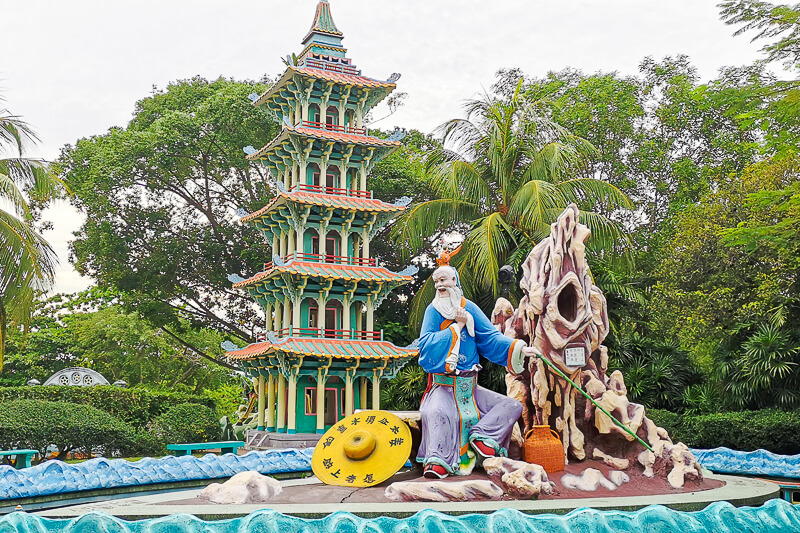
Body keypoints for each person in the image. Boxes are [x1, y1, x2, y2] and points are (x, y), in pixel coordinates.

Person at [416, 256, 526, 479]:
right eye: (436, 282)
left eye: (444, 280)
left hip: (470, 388)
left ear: (455, 281)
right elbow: (425, 346)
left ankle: (483, 439)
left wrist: (522, 349)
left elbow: (491, 339)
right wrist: (456, 328)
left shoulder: (470, 308)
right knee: (437, 413)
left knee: (512, 406)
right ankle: (439, 462)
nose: (440, 286)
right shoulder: (433, 311)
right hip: (444, 386)